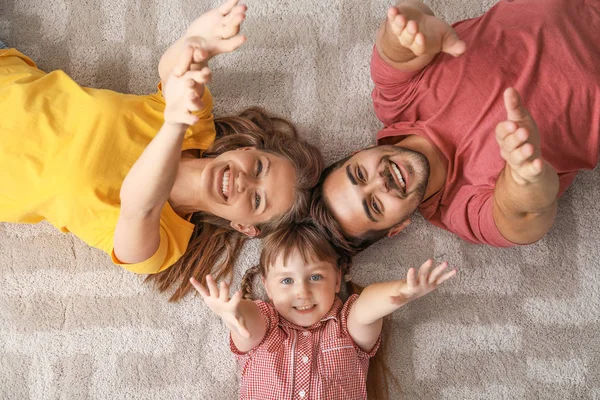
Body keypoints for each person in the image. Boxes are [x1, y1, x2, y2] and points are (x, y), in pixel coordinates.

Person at [0, 0, 324, 301]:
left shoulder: (162, 245)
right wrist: (196, 42)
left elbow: (138, 205)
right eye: (257, 168)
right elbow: (174, 70)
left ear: (244, 227)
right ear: (246, 150)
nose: (243, 182)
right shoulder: (197, 124)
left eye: (256, 200)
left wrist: (173, 125)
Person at [311, 0, 600, 254]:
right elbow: (523, 219)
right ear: (397, 227)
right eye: (375, 205)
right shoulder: (464, 212)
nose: (381, 182)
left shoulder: (396, 101)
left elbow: (396, 44)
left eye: (360, 174)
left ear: (359, 152)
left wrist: (410, 26)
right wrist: (526, 179)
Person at [190, 221, 456, 399]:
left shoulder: (345, 326)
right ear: (267, 288)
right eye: (286, 280)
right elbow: (247, 325)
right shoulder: (266, 323)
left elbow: (367, 307)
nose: (302, 291)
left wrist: (401, 293)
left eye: (316, 277)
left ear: (337, 280)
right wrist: (232, 314)